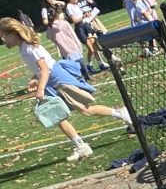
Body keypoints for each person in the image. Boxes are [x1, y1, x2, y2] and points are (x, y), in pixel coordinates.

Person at [0, 17, 131, 161]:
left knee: (85, 110)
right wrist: (34, 78)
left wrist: (40, 88)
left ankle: (121, 113)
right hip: (48, 80)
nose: (3, 40)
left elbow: (45, 68)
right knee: (56, 115)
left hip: (57, 78)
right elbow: (41, 68)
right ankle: (81, 146)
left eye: (4, 36)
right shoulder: (23, 48)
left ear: (13, 32)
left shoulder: (30, 47)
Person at [65, 0, 107, 72]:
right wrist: (83, 16)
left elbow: (81, 15)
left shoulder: (76, 5)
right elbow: (75, 20)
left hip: (85, 25)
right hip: (80, 28)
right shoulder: (69, 7)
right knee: (91, 49)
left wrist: (86, 14)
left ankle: (101, 63)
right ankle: (89, 65)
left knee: (94, 45)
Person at [45, 6, 91, 80]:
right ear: (57, 14)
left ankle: (78, 79)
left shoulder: (50, 27)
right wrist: (79, 45)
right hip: (73, 47)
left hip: (64, 51)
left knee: (71, 67)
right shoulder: (64, 23)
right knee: (81, 64)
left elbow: (49, 36)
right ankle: (87, 76)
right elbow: (73, 35)